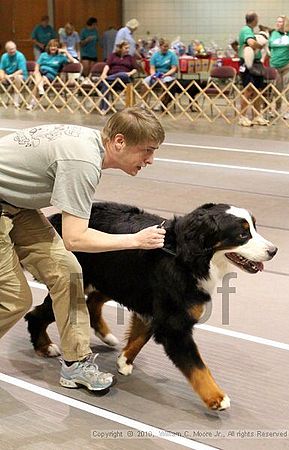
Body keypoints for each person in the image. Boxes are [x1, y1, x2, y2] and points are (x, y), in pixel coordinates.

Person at [0, 107, 166, 391]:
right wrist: (135, 240)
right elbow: (75, 239)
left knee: (68, 271)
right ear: (119, 142)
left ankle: (76, 364)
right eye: (147, 151)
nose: (151, 160)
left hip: (16, 204)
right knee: (15, 297)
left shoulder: (89, 147)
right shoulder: (82, 161)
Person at [238, 11, 269, 127]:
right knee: (249, 90)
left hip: (257, 64)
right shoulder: (246, 30)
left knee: (258, 90)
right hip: (248, 63)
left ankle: (256, 116)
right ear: (255, 20)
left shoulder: (250, 31)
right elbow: (251, 43)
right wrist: (260, 45)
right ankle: (242, 117)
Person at [26, 39, 77, 109]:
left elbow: (72, 61)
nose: (53, 48)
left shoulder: (61, 57)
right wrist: (36, 71)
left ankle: (32, 103)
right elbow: (37, 65)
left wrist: (65, 51)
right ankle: (40, 89)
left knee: (39, 81)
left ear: (58, 48)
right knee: (37, 74)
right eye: (51, 46)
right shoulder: (43, 55)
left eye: (55, 46)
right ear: (48, 47)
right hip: (40, 72)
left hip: (50, 75)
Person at [269, 15, 289, 120]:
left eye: (280, 22)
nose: (277, 23)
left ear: (286, 23)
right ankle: (276, 109)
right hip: (275, 65)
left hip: (288, 65)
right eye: (277, 21)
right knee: (276, 90)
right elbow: (270, 46)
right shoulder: (274, 33)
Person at [99, 40, 139, 111]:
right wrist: (103, 74)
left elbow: (135, 69)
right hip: (113, 81)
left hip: (125, 80)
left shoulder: (130, 57)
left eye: (128, 48)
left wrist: (130, 73)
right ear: (120, 48)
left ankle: (107, 79)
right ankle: (104, 108)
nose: (128, 50)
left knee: (122, 74)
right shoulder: (112, 56)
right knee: (105, 84)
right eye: (126, 48)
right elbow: (107, 66)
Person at [141, 38, 178, 109]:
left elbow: (174, 68)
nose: (166, 48)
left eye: (167, 46)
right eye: (164, 46)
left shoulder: (172, 55)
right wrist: (153, 75)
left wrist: (165, 74)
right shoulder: (154, 55)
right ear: (160, 46)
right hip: (156, 74)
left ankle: (160, 103)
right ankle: (144, 103)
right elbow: (152, 68)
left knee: (165, 82)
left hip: (168, 75)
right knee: (145, 82)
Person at [0, 40, 28, 108]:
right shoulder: (4, 56)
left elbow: (22, 70)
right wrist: (3, 76)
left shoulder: (20, 56)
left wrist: (11, 76)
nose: (13, 50)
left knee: (17, 77)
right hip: (7, 77)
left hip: (20, 76)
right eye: (10, 49)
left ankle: (16, 100)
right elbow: (1, 69)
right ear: (7, 50)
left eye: (14, 49)